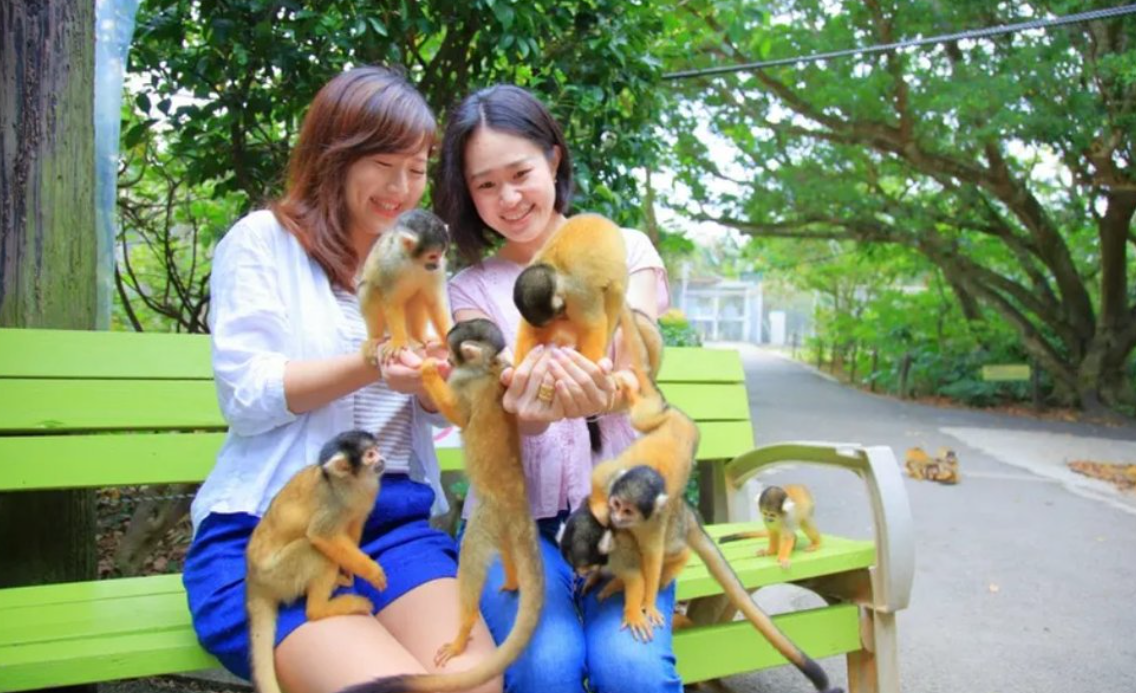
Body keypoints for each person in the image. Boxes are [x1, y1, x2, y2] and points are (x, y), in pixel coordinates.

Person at [182, 66, 501, 693]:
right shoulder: (264, 242)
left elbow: (433, 411)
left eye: (416, 169)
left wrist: (440, 381)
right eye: (383, 164)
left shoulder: (418, 256)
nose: (401, 188)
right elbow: (247, 395)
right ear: (335, 155)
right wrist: (372, 359)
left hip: (392, 526)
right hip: (277, 531)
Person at [434, 85, 678, 693]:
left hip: (622, 517)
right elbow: (490, 416)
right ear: (468, 193)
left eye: (520, 174)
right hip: (514, 522)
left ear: (553, 159)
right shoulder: (469, 290)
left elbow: (637, 367)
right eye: (486, 184)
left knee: (632, 670)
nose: (509, 198)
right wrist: (530, 416)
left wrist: (610, 388)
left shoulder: (623, 249)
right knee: (546, 667)